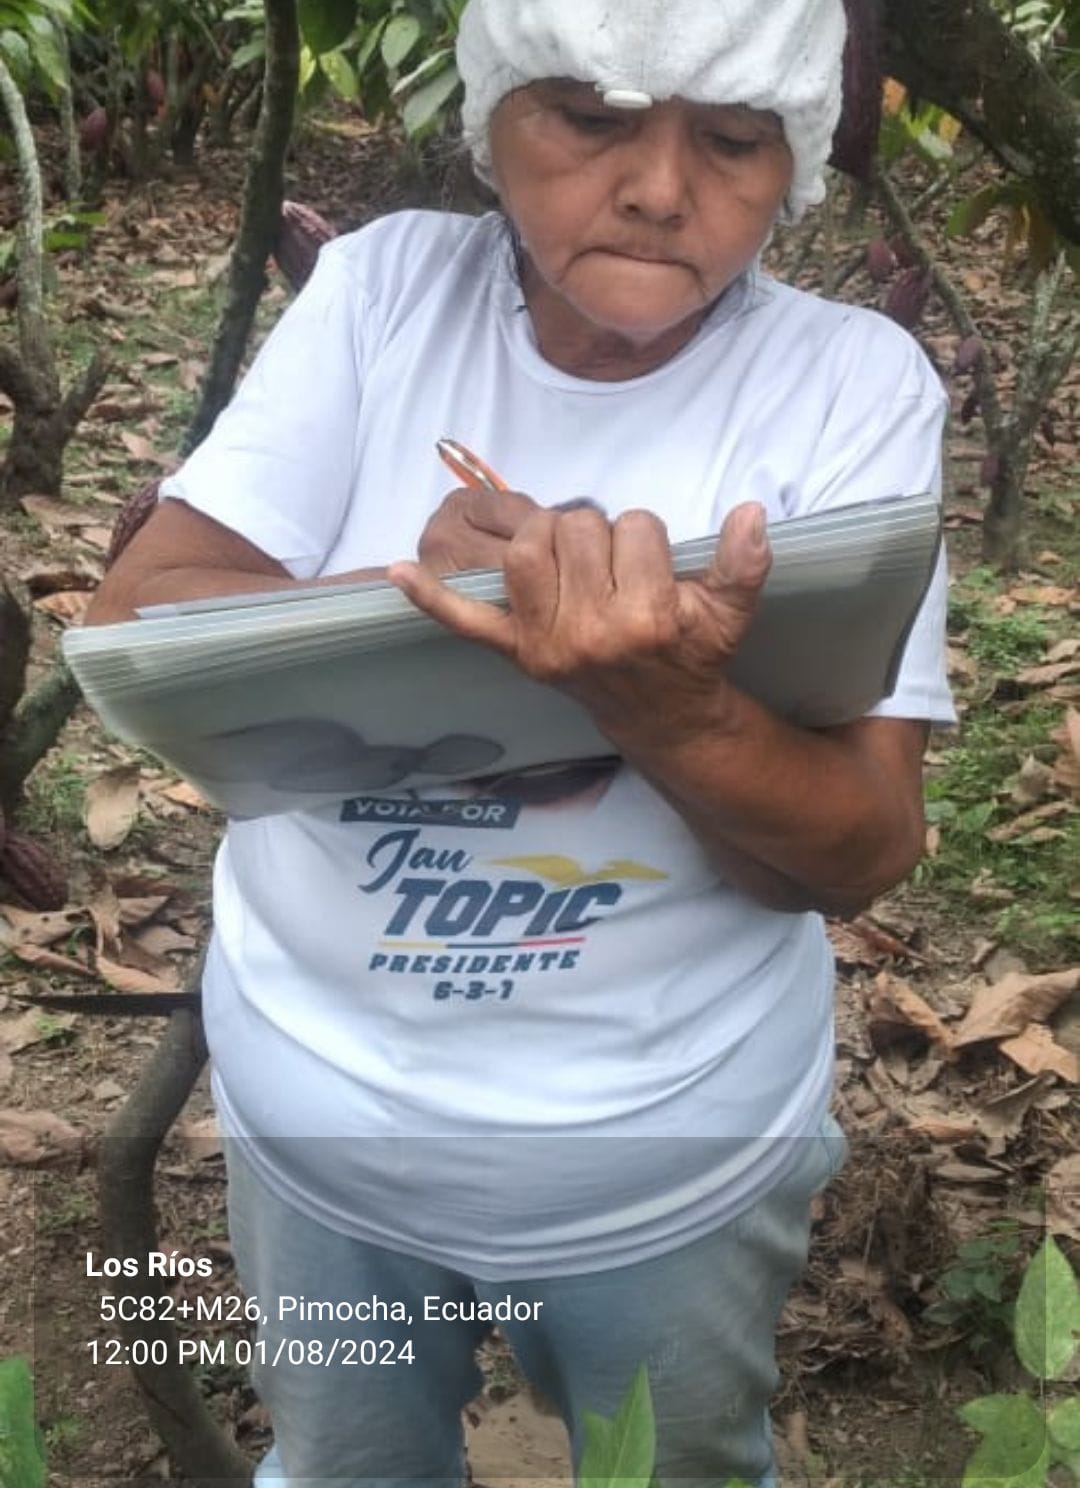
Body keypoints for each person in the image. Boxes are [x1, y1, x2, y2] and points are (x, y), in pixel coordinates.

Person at [87, 0, 955, 1482]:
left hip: (662, 1151)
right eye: (591, 117)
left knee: (670, 1460)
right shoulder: (382, 296)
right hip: (321, 1120)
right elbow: (142, 622)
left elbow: (850, 853)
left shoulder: (851, 387)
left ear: (797, 160)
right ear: (492, 120)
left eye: (733, 139)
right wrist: (431, 605)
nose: (661, 189)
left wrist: (668, 706)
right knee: (350, 1458)